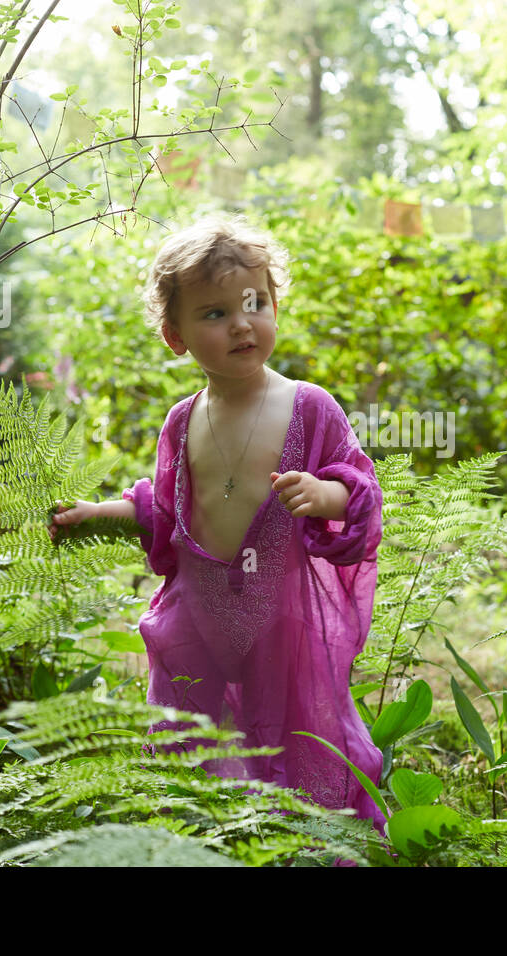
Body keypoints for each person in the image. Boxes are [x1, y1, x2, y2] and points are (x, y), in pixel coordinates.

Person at [47, 212, 388, 844]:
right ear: (175, 337)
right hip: (196, 616)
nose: (240, 323)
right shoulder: (182, 423)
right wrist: (97, 515)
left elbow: (360, 489)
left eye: (255, 303)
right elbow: (165, 511)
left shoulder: (308, 407)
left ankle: (313, 844)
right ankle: (204, 842)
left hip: (280, 620)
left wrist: (323, 491)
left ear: (274, 304)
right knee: (189, 747)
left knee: (299, 738)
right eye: (214, 313)